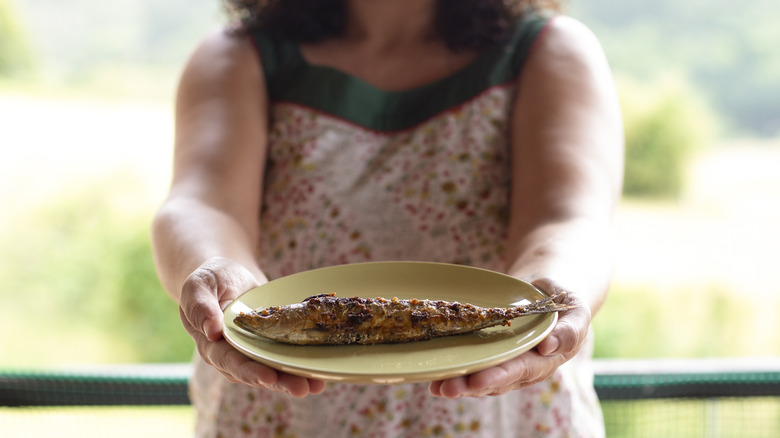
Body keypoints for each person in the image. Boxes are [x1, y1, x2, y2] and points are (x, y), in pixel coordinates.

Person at [151, 0, 623, 436]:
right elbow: (203, 206)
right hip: (280, 409)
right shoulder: (238, 55)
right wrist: (213, 268)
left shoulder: (547, 51)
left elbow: (569, 219)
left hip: (501, 411)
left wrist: (558, 281)